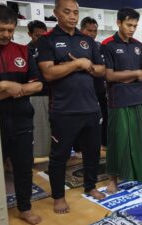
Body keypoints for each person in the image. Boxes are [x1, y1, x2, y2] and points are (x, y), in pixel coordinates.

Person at [36, 0, 106, 214]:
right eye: (67, 12)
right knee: (59, 156)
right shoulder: (47, 41)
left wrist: (89, 66)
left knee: (92, 152)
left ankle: (90, 186)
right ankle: (58, 197)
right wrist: (77, 64)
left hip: (90, 107)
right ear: (56, 13)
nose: (72, 16)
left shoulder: (87, 40)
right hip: (63, 110)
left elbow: (101, 69)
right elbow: (48, 73)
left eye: (75, 12)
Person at [0, 4, 43, 224]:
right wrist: (6, 85)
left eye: (10, 30)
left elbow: (38, 85)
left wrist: (5, 90)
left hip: (21, 121)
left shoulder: (22, 51)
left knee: (23, 167)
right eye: (1, 29)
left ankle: (24, 208)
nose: (7, 34)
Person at [100, 7, 142, 193]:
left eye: (135, 26)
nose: (132, 29)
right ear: (119, 22)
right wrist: (134, 74)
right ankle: (113, 178)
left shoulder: (139, 45)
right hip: (118, 100)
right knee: (118, 140)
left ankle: (140, 174)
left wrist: (131, 75)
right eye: (129, 25)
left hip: (139, 98)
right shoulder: (107, 45)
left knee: (139, 140)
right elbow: (109, 76)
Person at [80, 16, 108, 152]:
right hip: (81, 90)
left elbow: (103, 69)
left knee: (102, 117)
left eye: (94, 31)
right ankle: (79, 148)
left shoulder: (99, 46)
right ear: (81, 29)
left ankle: (103, 143)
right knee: (82, 121)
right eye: (89, 30)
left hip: (98, 88)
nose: (92, 34)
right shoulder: (76, 45)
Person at [27, 20, 51, 158]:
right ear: (30, 34)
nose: (41, 38)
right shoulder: (27, 51)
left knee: (53, 127)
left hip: (54, 92)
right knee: (40, 128)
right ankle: (40, 156)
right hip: (37, 93)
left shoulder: (49, 47)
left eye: (44, 35)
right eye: (37, 35)